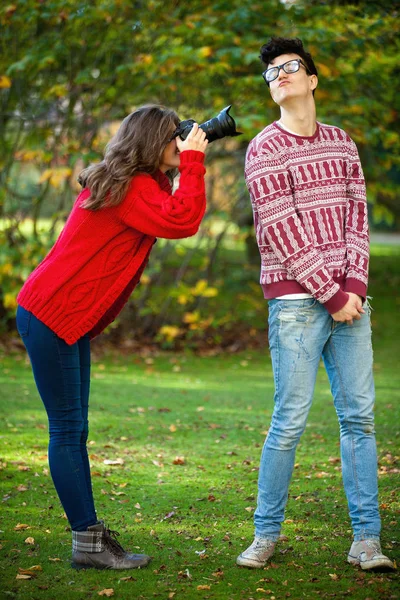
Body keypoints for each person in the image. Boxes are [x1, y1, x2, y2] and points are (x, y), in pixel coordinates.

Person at [16, 105, 208, 570]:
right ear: (150, 141)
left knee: (74, 428)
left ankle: (91, 537)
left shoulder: (130, 183)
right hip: (53, 314)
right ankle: (87, 541)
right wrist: (194, 161)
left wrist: (182, 158)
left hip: (60, 315)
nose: (180, 142)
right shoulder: (133, 188)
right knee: (66, 429)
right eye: (173, 135)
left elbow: (172, 206)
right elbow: (183, 220)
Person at [236, 37, 395, 572]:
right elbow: (280, 227)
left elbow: (358, 216)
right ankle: (265, 535)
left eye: (290, 67)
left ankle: (367, 541)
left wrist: (353, 287)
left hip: (350, 301)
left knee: (360, 421)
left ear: (312, 79)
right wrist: (330, 293)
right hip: (297, 304)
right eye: (271, 72)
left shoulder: (343, 143)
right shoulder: (263, 147)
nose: (279, 75)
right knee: (289, 420)